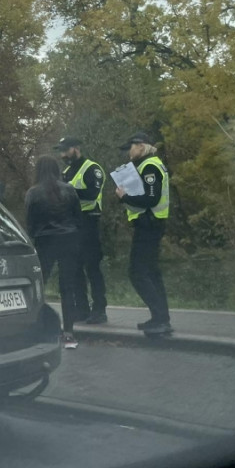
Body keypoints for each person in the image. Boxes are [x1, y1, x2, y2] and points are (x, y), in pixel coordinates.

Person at [116, 132, 171, 336]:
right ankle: (160, 318)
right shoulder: (149, 165)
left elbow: (151, 198)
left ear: (140, 146)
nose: (127, 153)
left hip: (149, 224)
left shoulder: (149, 166)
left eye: (129, 147)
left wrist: (124, 197)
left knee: (137, 273)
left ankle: (160, 318)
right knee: (151, 273)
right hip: (152, 224)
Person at [25, 156, 82, 349]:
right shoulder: (69, 189)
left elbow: (30, 222)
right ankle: (69, 333)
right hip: (69, 240)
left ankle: (38, 329)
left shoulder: (33, 193)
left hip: (45, 241)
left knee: (39, 286)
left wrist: (35, 237)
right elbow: (78, 217)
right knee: (68, 288)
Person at [56, 137, 108, 324]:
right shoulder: (67, 171)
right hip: (72, 224)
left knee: (92, 267)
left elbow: (92, 195)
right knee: (76, 268)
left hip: (89, 221)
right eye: (60, 151)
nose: (62, 155)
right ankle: (82, 309)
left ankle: (100, 309)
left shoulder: (92, 169)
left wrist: (69, 192)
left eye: (65, 150)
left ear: (76, 148)